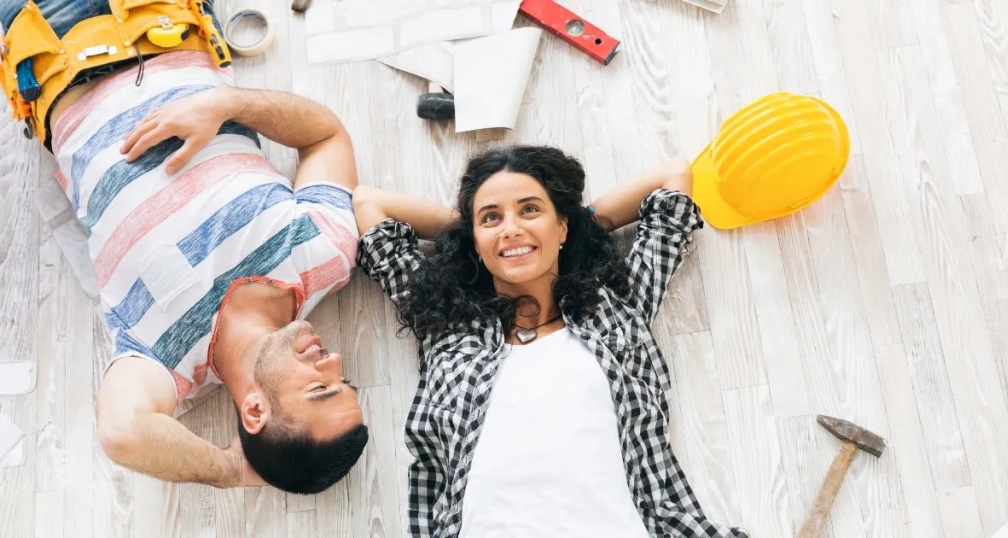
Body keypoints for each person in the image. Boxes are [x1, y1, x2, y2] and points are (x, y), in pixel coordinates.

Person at [1, 0, 367, 492]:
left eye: (321, 388)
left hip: (52, 39)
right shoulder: (326, 255)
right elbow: (325, 135)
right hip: (167, 19)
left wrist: (230, 470)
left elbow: (123, 433)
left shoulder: (162, 359)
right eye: (345, 381)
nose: (336, 362)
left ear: (256, 409)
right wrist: (226, 105)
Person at [353, 145, 749, 537]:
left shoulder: (617, 309)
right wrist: (473, 234)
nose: (511, 226)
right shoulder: (449, 329)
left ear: (562, 226)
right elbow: (369, 203)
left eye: (530, 209)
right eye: (492, 217)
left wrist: (576, 224)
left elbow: (674, 176)